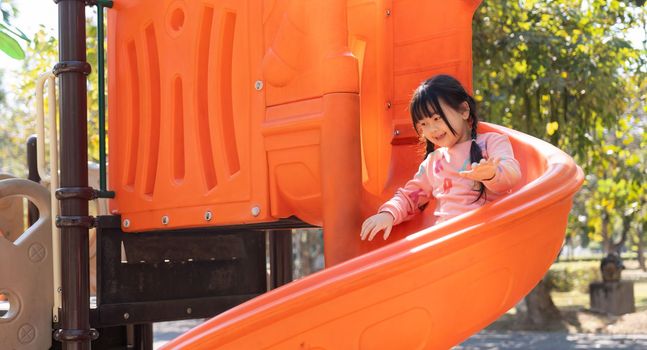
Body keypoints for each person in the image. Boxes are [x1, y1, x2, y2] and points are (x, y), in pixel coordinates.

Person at [360, 74, 521, 241]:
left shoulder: (491, 142)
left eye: (437, 118)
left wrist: (492, 174)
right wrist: (388, 213)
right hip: (447, 243)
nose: (432, 129)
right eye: (424, 124)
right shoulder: (433, 163)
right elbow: (410, 196)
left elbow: (512, 175)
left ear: (464, 111)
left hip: (486, 237)